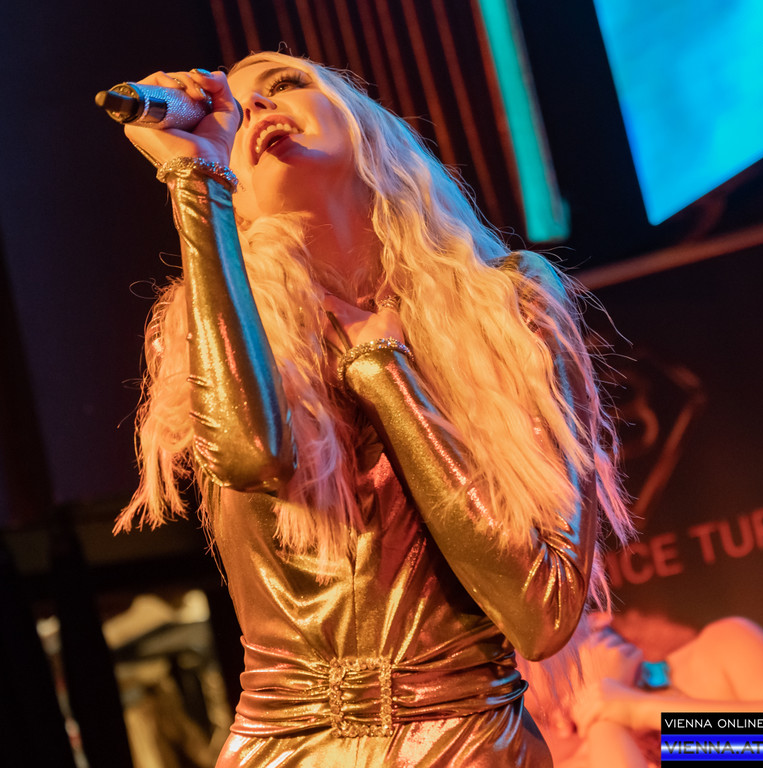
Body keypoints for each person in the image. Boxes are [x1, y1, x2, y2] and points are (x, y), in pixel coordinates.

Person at [113, 51, 631, 767]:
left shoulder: (509, 305)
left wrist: (386, 371)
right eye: (236, 108)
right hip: (279, 749)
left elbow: (542, 612)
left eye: (283, 83)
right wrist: (194, 180)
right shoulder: (209, 323)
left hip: (461, 742)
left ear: (366, 127)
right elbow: (248, 453)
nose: (257, 106)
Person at [532, 615, 763, 768]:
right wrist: (604, 719)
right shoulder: (583, 762)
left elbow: (759, 742)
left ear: (595, 619)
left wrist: (638, 709)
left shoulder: (718, 649)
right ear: (559, 722)